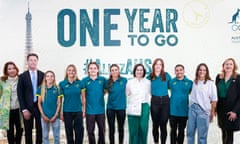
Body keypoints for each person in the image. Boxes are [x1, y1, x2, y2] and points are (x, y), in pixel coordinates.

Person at [187, 63, 218, 144]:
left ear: (206, 72)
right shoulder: (194, 82)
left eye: (204, 70)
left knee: (202, 136)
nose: (202, 71)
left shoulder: (210, 84)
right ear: (197, 71)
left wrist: (212, 112)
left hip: (203, 111)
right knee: (190, 133)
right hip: (192, 109)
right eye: (200, 70)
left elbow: (214, 100)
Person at [17, 53, 44, 144]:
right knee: (28, 131)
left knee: (40, 130)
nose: (33, 62)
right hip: (27, 108)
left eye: (35, 60)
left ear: (37, 62)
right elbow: (20, 94)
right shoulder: (22, 76)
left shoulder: (42, 75)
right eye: (31, 60)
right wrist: (24, 109)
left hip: (40, 107)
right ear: (27, 62)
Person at [215, 58, 240, 144]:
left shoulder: (238, 78)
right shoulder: (219, 77)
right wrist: (214, 108)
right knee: (223, 132)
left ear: (234, 66)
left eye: (230, 64)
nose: (228, 66)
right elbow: (215, 94)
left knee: (229, 134)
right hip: (221, 109)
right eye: (227, 64)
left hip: (231, 110)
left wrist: (235, 111)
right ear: (223, 66)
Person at [82, 62, 107, 144]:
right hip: (90, 111)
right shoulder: (84, 81)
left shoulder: (102, 79)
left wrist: (101, 94)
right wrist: (84, 110)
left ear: (98, 70)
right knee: (90, 132)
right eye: (91, 68)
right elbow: (83, 96)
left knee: (102, 132)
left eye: (95, 68)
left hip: (101, 111)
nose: (93, 70)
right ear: (88, 70)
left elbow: (106, 90)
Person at [147, 58, 171, 144]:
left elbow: (171, 87)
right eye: (156, 64)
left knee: (163, 125)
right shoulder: (150, 76)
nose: (158, 66)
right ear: (153, 66)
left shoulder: (166, 75)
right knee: (155, 125)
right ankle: (156, 142)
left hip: (165, 101)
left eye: (160, 64)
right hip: (155, 101)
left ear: (162, 66)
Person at [59, 64, 85, 144]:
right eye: (69, 70)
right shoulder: (62, 84)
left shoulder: (80, 83)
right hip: (67, 111)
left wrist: (84, 110)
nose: (71, 72)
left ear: (75, 72)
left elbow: (83, 98)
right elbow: (60, 101)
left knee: (79, 131)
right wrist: (60, 112)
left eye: (73, 70)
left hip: (78, 111)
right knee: (69, 131)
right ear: (67, 72)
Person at [126, 63, 151, 144]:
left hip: (144, 107)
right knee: (133, 130)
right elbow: (127, 94)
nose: (139, 71)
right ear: (135, 71)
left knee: (143, 129)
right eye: (137, 70)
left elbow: (150, 94)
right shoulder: (129, 82)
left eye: (141, 70)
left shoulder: (148, 82)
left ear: (143, 71)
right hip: (133, 107)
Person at [0, 61, 23, 144]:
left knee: (20, 129)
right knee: (9, 131)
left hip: (19, 109)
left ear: (16, 69)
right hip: (7, 110)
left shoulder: (21, 80)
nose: (12, 70)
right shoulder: (2, 81)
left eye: (13, 68)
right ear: (6, 71)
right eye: (9, 69)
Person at [169, 64, 192, 144]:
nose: (179, 72)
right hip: (173, 111)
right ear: (175, 72)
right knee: (173, 130)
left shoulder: (189, 82)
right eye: (177, 70)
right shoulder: (171, 82)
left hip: (184, 111)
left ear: (183, 71)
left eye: (180, 70)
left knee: (181, 131)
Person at [37, 71, 62, 144]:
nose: (49, 78)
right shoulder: (40, 88)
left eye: (51, 76)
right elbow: (39, 103)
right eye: (47, 76)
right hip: (44, 116)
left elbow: (59, 103)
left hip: (55, 117)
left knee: (56, 136)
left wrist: (55, 115)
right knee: (45, 136)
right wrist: (43, 115)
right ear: (45, 78)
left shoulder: (58, 88)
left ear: (54, 78)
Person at [106, 64, 127, 144]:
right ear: (110, 72)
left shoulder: (124, 80)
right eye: (112, 70)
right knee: (111, 129)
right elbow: (103, 92)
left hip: (121, 108)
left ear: (118, 71)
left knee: (120, 128)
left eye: (116, 70)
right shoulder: (107, 82)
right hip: (110, 108)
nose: (114, 71)